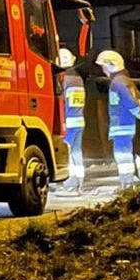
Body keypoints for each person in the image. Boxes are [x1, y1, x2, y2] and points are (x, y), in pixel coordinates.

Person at [95, 50, 140, 187]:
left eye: (104, 66)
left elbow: (129, 101)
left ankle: (127, 183)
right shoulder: (122, 80)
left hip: (122, 125)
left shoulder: (118, 82)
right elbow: (137, 97)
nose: (103, 69)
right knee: (127, 152)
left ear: (111, 65)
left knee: (122, 155)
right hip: (124, 124)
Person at [56, 48, 88, 194]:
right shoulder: (78, 78)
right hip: (79, 120)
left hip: (68, 122)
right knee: (76, 152)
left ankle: (69, 183)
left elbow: (61, 102)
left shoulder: (64, 79)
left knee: (67, 153)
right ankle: (80, 182)